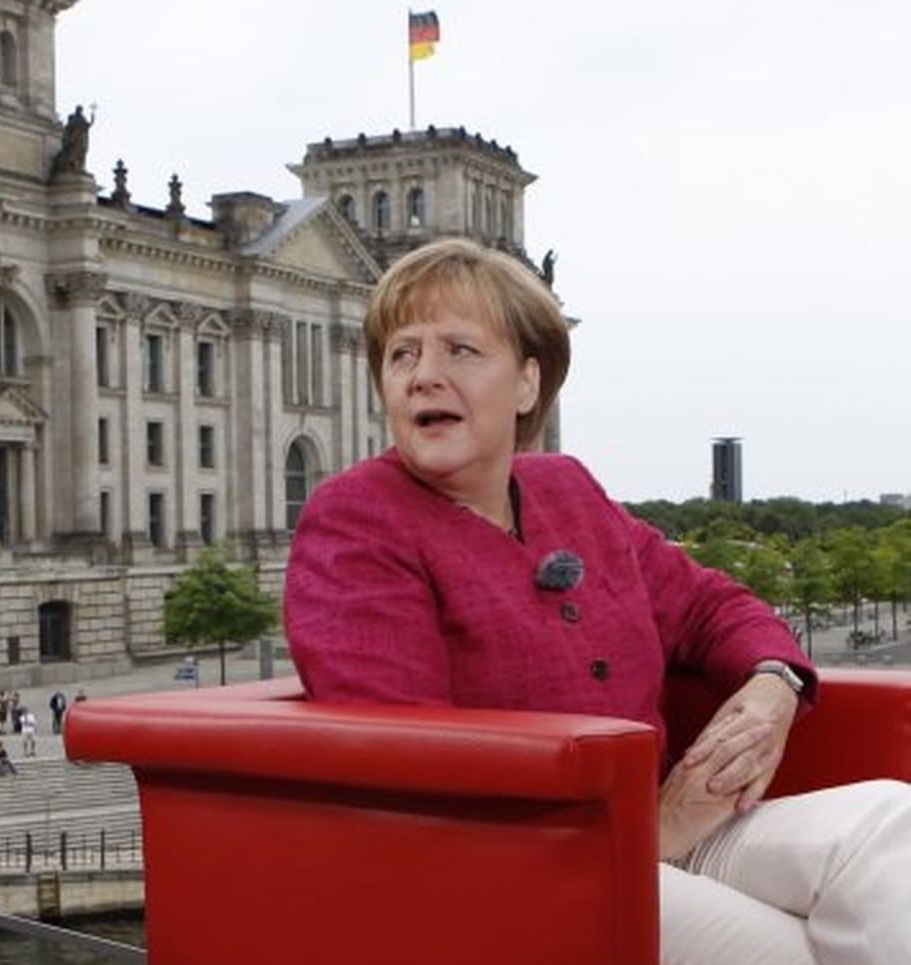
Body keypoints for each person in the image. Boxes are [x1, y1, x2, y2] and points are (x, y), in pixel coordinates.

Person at [284, 237, 911, 963]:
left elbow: (712, 605)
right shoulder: (355, 518)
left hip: (662, 830)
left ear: (526, 383)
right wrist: (654, 828)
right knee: (790, 951)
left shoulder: (568, 489)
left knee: (892, 827)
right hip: (517, 869)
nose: (424, 375)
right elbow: (411, 761)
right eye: (402, 354)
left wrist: (772, 684)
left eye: (459, 350)